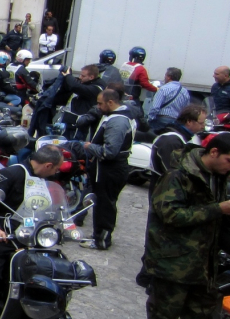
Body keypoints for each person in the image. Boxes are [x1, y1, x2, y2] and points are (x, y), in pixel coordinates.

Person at [0, 145, 64, 319]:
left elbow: (49, 210)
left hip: (30, 241)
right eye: (55, 168)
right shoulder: (12, 174)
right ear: (48, 165)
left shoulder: (45, 181)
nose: (56, 173)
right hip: (2, 239)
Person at [142, 133, 230, 319]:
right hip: (173, 268)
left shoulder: (218, 177)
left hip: (203, 269)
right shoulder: (178, 176)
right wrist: (218, 209)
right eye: (229, 160)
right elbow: (171, 215)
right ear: (214, 152)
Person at [62, 88, 133, 250]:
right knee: (102, 202)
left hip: (110, 169)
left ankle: (101, 240)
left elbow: (109, 151)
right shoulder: (118, 117)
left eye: (100, 104)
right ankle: (99, 235)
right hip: (108, 168)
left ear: (111, 102)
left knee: (105, 204)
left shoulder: (118, 121)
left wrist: (89, 146)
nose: (98, 107)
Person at [149, 104, 207, 198]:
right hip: (164, 193)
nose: (203, 126)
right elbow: (171, 171)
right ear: (189, 121)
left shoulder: (185, 138)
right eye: (201, 123)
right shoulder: (171, 141)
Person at [147, 67, 191, 133]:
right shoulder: (185, 92)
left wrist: (150, 119)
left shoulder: (163, 89)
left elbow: (155, 107)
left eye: (165, 75)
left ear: (168, 77)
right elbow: (186, 110)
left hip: (162, 120)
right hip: (176, 122)